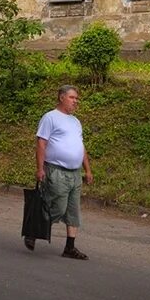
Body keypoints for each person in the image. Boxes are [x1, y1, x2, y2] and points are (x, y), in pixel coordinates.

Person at [27, 84, 93, 259]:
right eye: (72, 98)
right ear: (61, 97)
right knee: (57, 207)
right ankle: (33, 230)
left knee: (73, 211)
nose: (75, 102)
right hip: (57, 170)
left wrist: (87, 169)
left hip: (75, 173)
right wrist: (40, 168)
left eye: (77, 99)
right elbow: (42, 143)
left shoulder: (75, 121)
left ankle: (69, 247)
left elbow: (81, 146)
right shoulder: (50, 117)